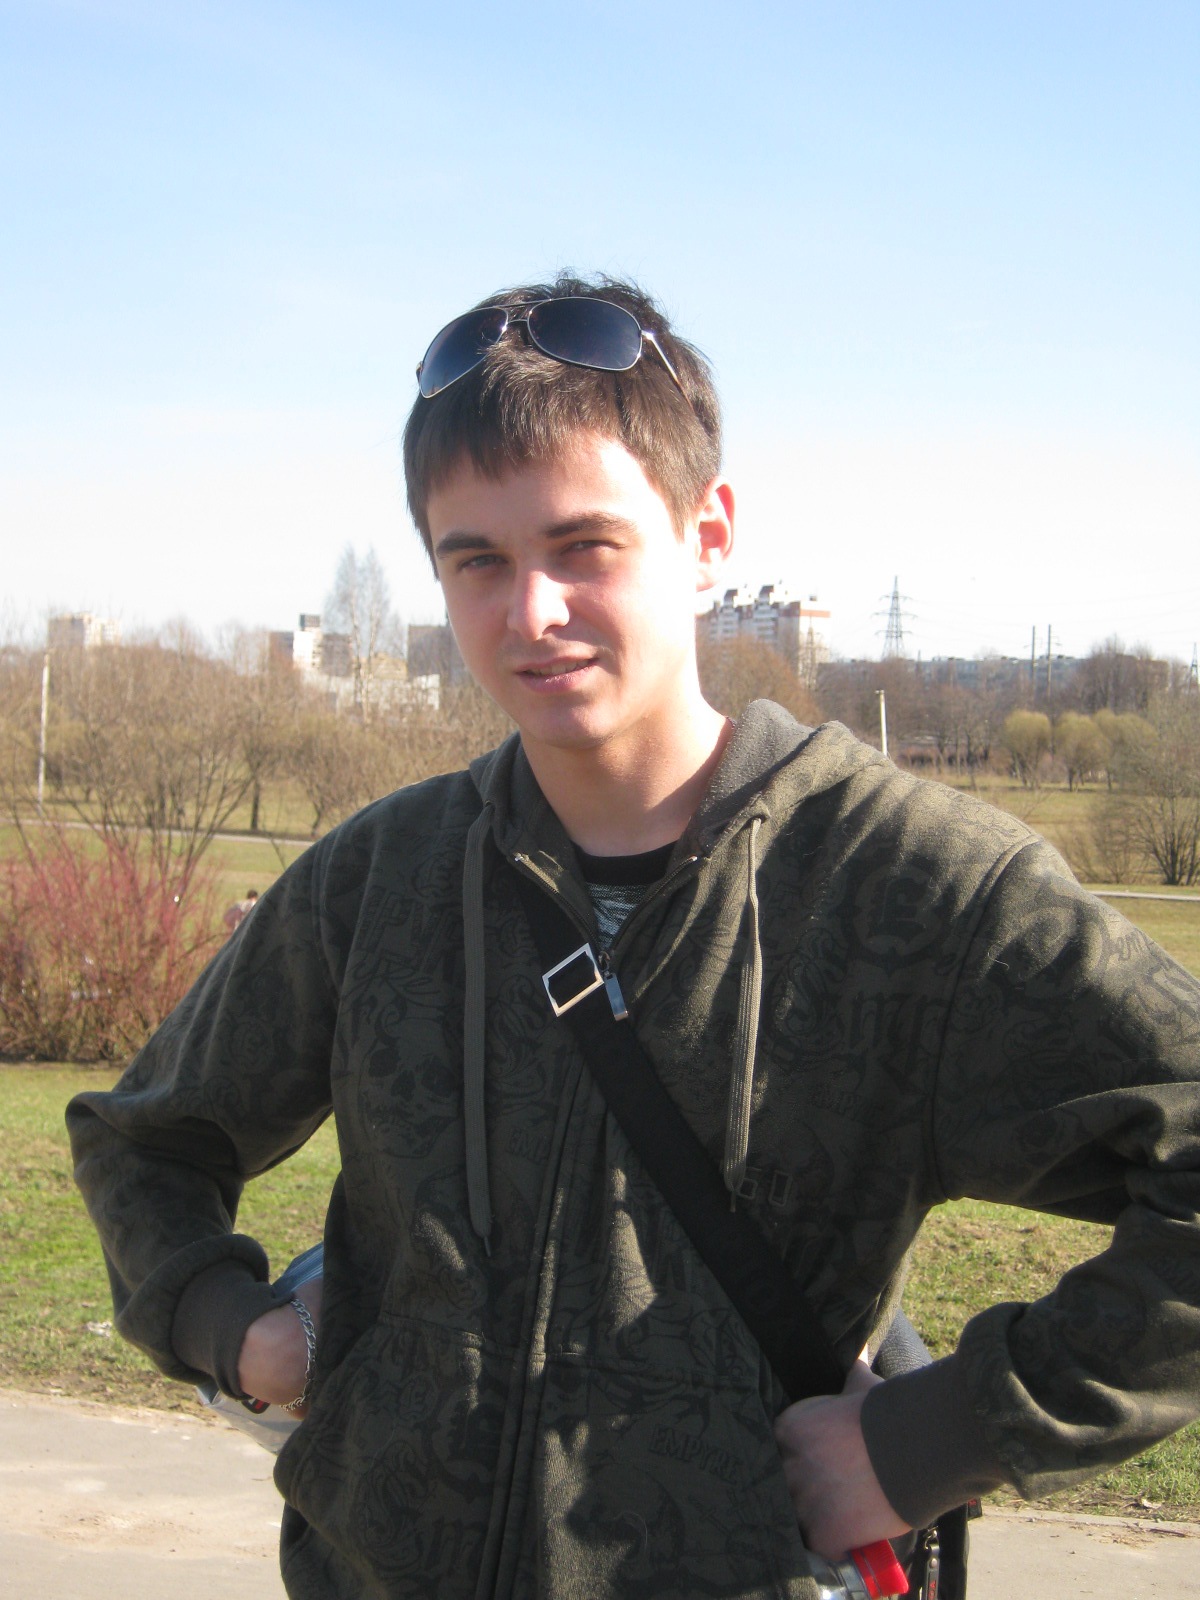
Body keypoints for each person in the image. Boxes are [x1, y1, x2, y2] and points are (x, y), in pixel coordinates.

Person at [68, 275, 1200, 1600]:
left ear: (706, 536)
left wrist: (930, 1440)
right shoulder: (381, 876)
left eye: (584, 547)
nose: (530, 613)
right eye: (477, 562)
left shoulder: (914, 889)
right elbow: (143, 1141)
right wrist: (239, 1332)